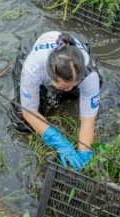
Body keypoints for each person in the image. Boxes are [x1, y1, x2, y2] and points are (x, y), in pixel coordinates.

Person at [10, 32, 101, 171]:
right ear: (51, 76)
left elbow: (88, 121)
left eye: (73, 84)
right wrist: (58, 142)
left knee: (74, 94)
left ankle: (68, 88)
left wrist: (84, 152)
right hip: (33, 48)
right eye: (65, 86)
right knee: (22, 121)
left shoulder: (89, 74)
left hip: (72, 46)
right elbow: (29, 112)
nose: (69, 88)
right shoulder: (33, 68)